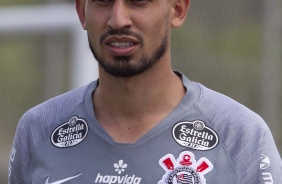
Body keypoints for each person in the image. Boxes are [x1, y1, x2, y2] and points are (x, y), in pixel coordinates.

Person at [8, 0, 282, 183]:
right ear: (82, 12)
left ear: (177, 9)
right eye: (103, 0)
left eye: (138, 0)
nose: (118, 19)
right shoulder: (39, 129)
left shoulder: (241, 137)